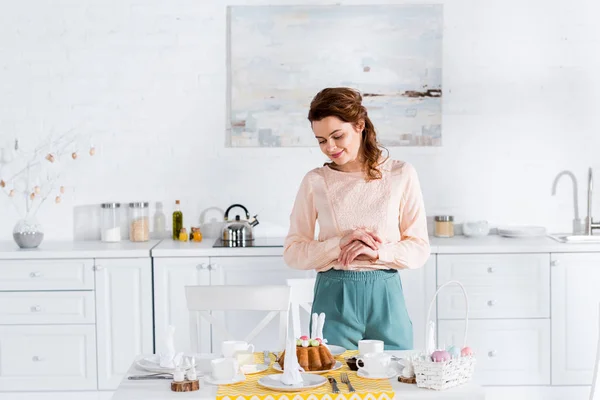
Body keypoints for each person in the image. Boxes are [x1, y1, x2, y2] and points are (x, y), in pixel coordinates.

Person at [283, 87, 430, 350]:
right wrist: (338, 244)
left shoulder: (401, 174)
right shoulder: (316, 181)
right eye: (321, 140)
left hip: (386, 298)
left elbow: (419, 249)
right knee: (335, 386)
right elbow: (293, 253)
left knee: (395, 383)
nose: (330, 147)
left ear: (359, 125)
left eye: (337, 136)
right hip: (333, 298)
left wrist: (377, 252)